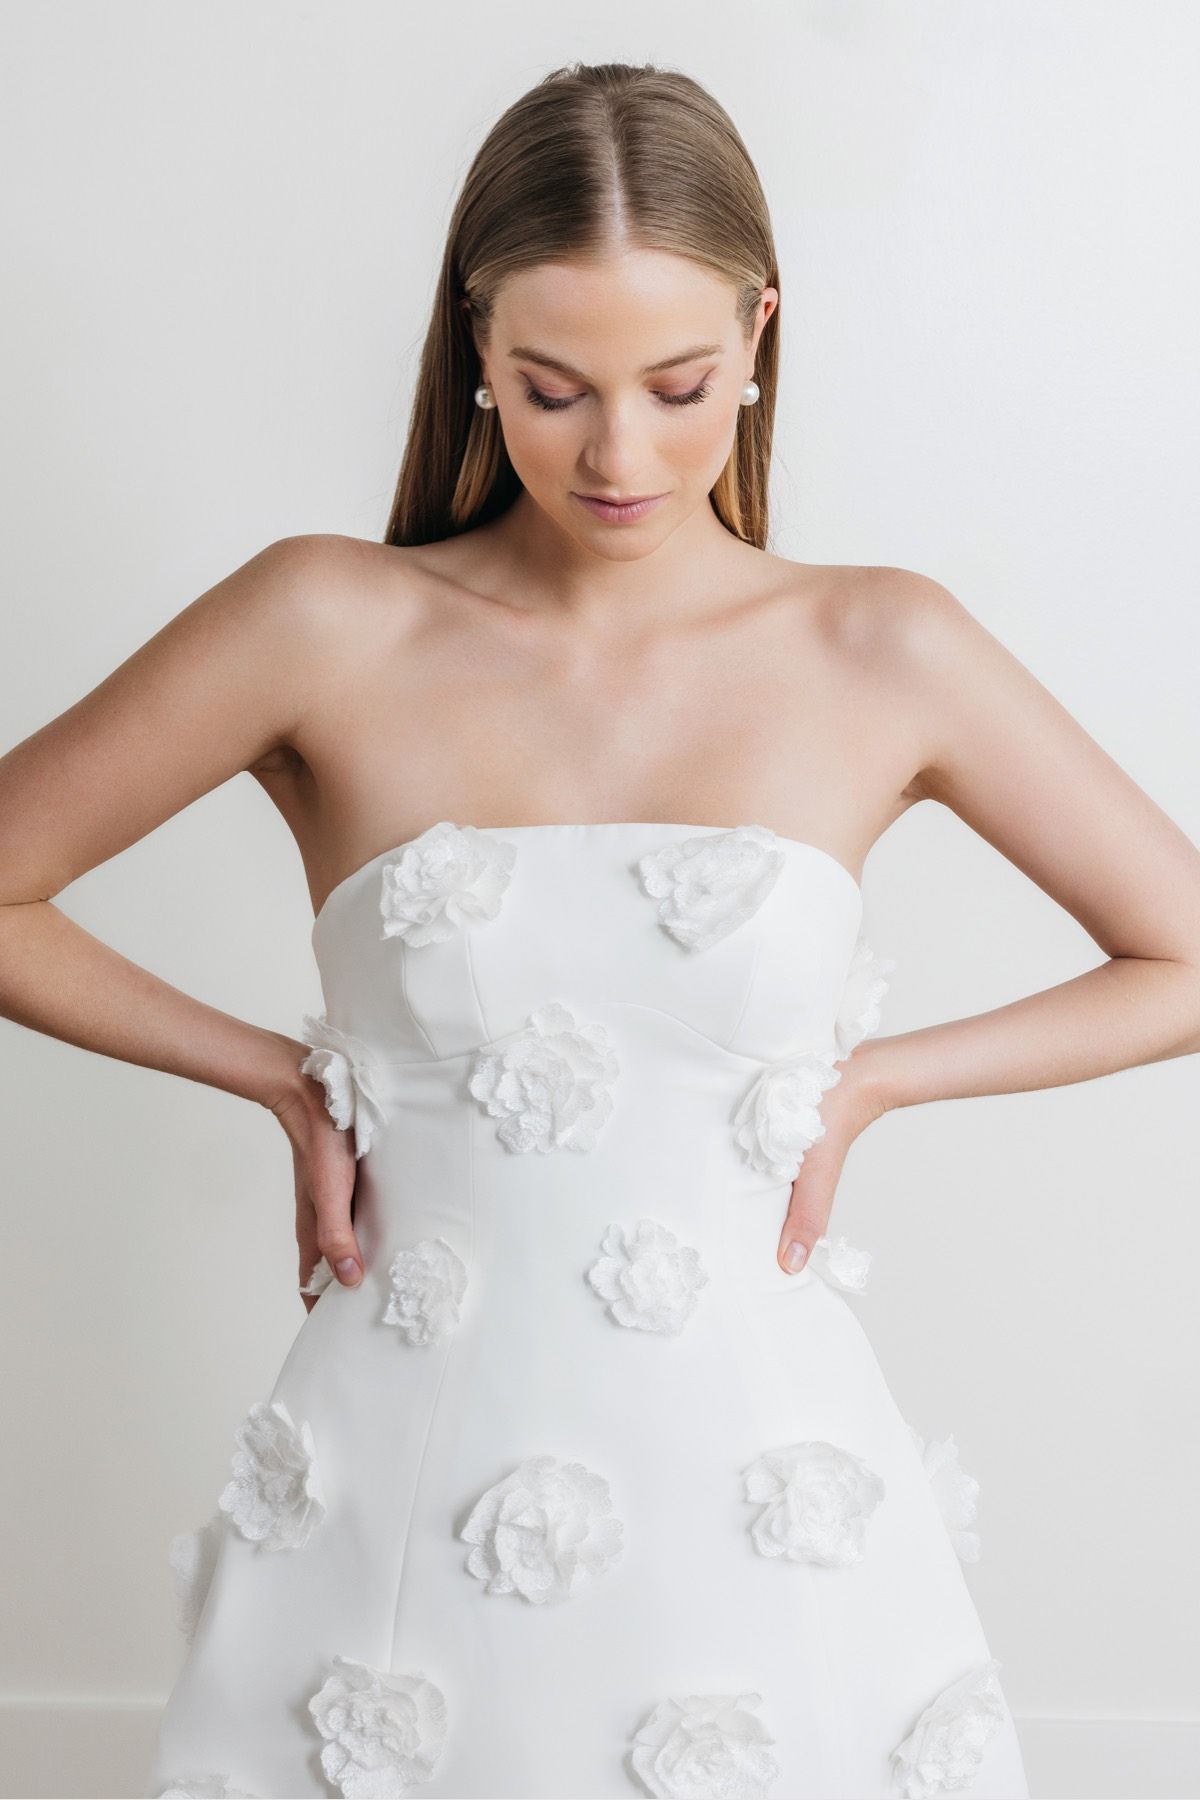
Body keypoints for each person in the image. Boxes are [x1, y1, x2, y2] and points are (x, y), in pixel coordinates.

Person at [2, 58, 1197, 1800]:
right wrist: (278, 1074)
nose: (616, 455)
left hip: (763, 1503)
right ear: (474, 347)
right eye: (553, 389)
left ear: (762, 333)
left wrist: (872, 1085)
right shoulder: (326, 620)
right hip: (399, 1480)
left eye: (678, 385)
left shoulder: (883, 648)